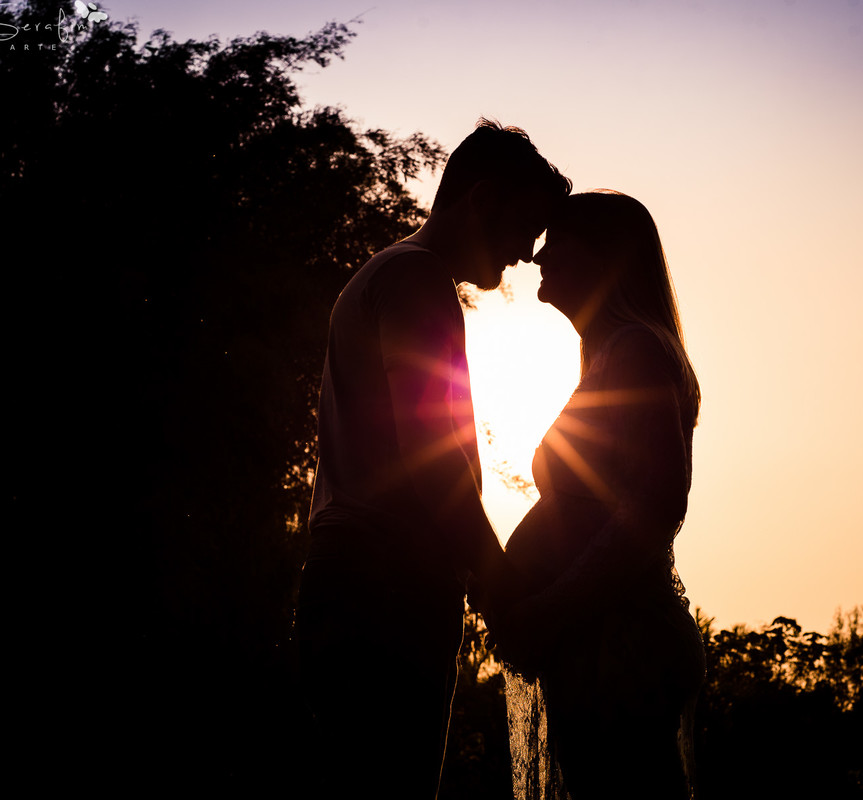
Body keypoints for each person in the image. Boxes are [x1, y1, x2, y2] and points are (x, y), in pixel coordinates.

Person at [297, 119, 571, 798]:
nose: (519, 257)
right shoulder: (415, 278)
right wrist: (498, 584)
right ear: (479, 200)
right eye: (520, 231)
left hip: (360, 578)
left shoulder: (390, 277)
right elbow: (432, 458)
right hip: (383, 583)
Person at [489, 191, 705, 800]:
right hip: (598, 644)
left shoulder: (636, 351)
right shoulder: (612, 355)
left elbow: (656, 505)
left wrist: (550, 607)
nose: (538, 255)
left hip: (621, 650)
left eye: (557, 241)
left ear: (604, 259)